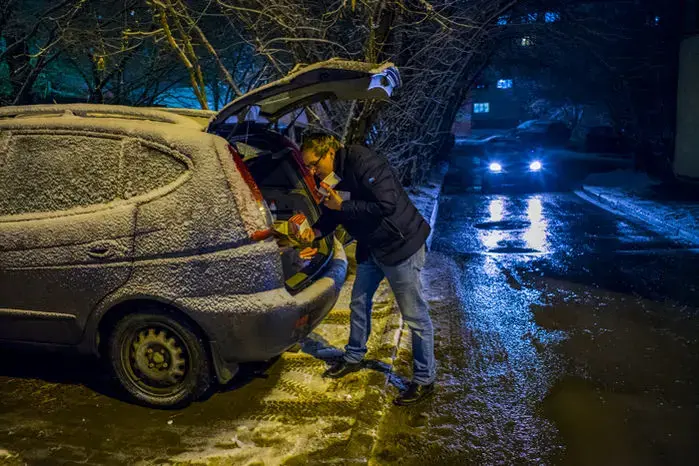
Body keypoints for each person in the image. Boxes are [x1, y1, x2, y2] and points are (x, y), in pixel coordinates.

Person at [293, 132, 436, 406]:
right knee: (359, 301)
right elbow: (333, 213)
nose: (311, 171)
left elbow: (387, 204)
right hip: (372, 247)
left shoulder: (364, 161)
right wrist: (315, 232)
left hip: (400, 245)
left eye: (313, 164)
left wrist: (343, 204)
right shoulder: (329, 178)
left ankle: (424, 379)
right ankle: (354, 356)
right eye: (308, 166)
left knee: (415, 316)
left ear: (330, 152)